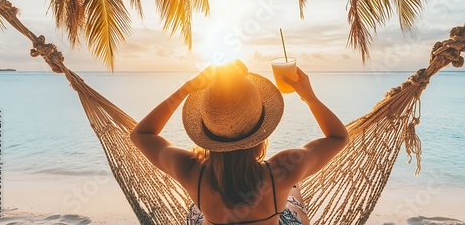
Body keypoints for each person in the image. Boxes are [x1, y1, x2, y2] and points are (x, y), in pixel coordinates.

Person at [130, 60, 349, 224]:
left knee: (197, 211)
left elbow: (141, 135)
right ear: (260, 134)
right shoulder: (281, 171)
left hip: (206, 200)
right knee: (292, 190)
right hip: (278, 193)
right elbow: (338, 137)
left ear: (207, 132)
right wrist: (309, 96)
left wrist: (186, 89)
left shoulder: (190, 170)